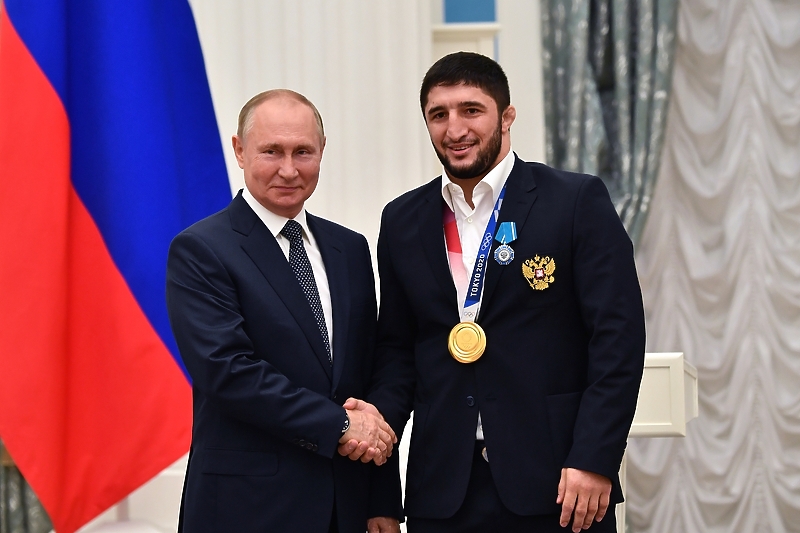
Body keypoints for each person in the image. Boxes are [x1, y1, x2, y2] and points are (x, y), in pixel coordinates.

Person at [365, 52, 646, 532]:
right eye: (439, 114)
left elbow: (617, 341)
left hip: (562, 484)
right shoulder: (401, 221)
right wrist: (379, 488)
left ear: (507, 116)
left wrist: (595, 458)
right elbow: (397, 355)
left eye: (471, 110)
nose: (455, 129)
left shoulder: (575, 201)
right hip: (443, 492)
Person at [166, 89, 401, 533]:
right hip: (248, 509)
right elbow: (228, 370)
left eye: (303, 152)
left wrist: (382, 498)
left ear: (322, 151)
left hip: (348, 508)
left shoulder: (349, 248)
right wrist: (340, 425)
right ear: (239, 150)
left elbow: (372, 374)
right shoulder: (201, 250)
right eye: (271, 151)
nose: (289, 169)